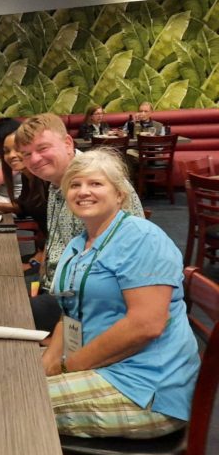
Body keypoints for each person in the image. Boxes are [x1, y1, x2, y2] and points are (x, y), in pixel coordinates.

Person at [43, 149, 199, 438]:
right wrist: (46, 366)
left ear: (119, 194)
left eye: (95, 183)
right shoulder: (79, 244)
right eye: (75, 185)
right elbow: (69, 314)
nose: (83, 191)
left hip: (145, 387)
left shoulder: (142, 238)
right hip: (98, 364)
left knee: (13, 403)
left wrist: (66, 367)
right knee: (9, 374)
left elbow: (145, 325)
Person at [14, 113, 144, 332]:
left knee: (6, 311)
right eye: (27, 154)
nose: (34, 159)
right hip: (54, 285)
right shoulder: (56, 183)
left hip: (88, 303)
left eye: (43, 148)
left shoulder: (95, 185)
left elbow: (117, 277)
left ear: (67, 143)